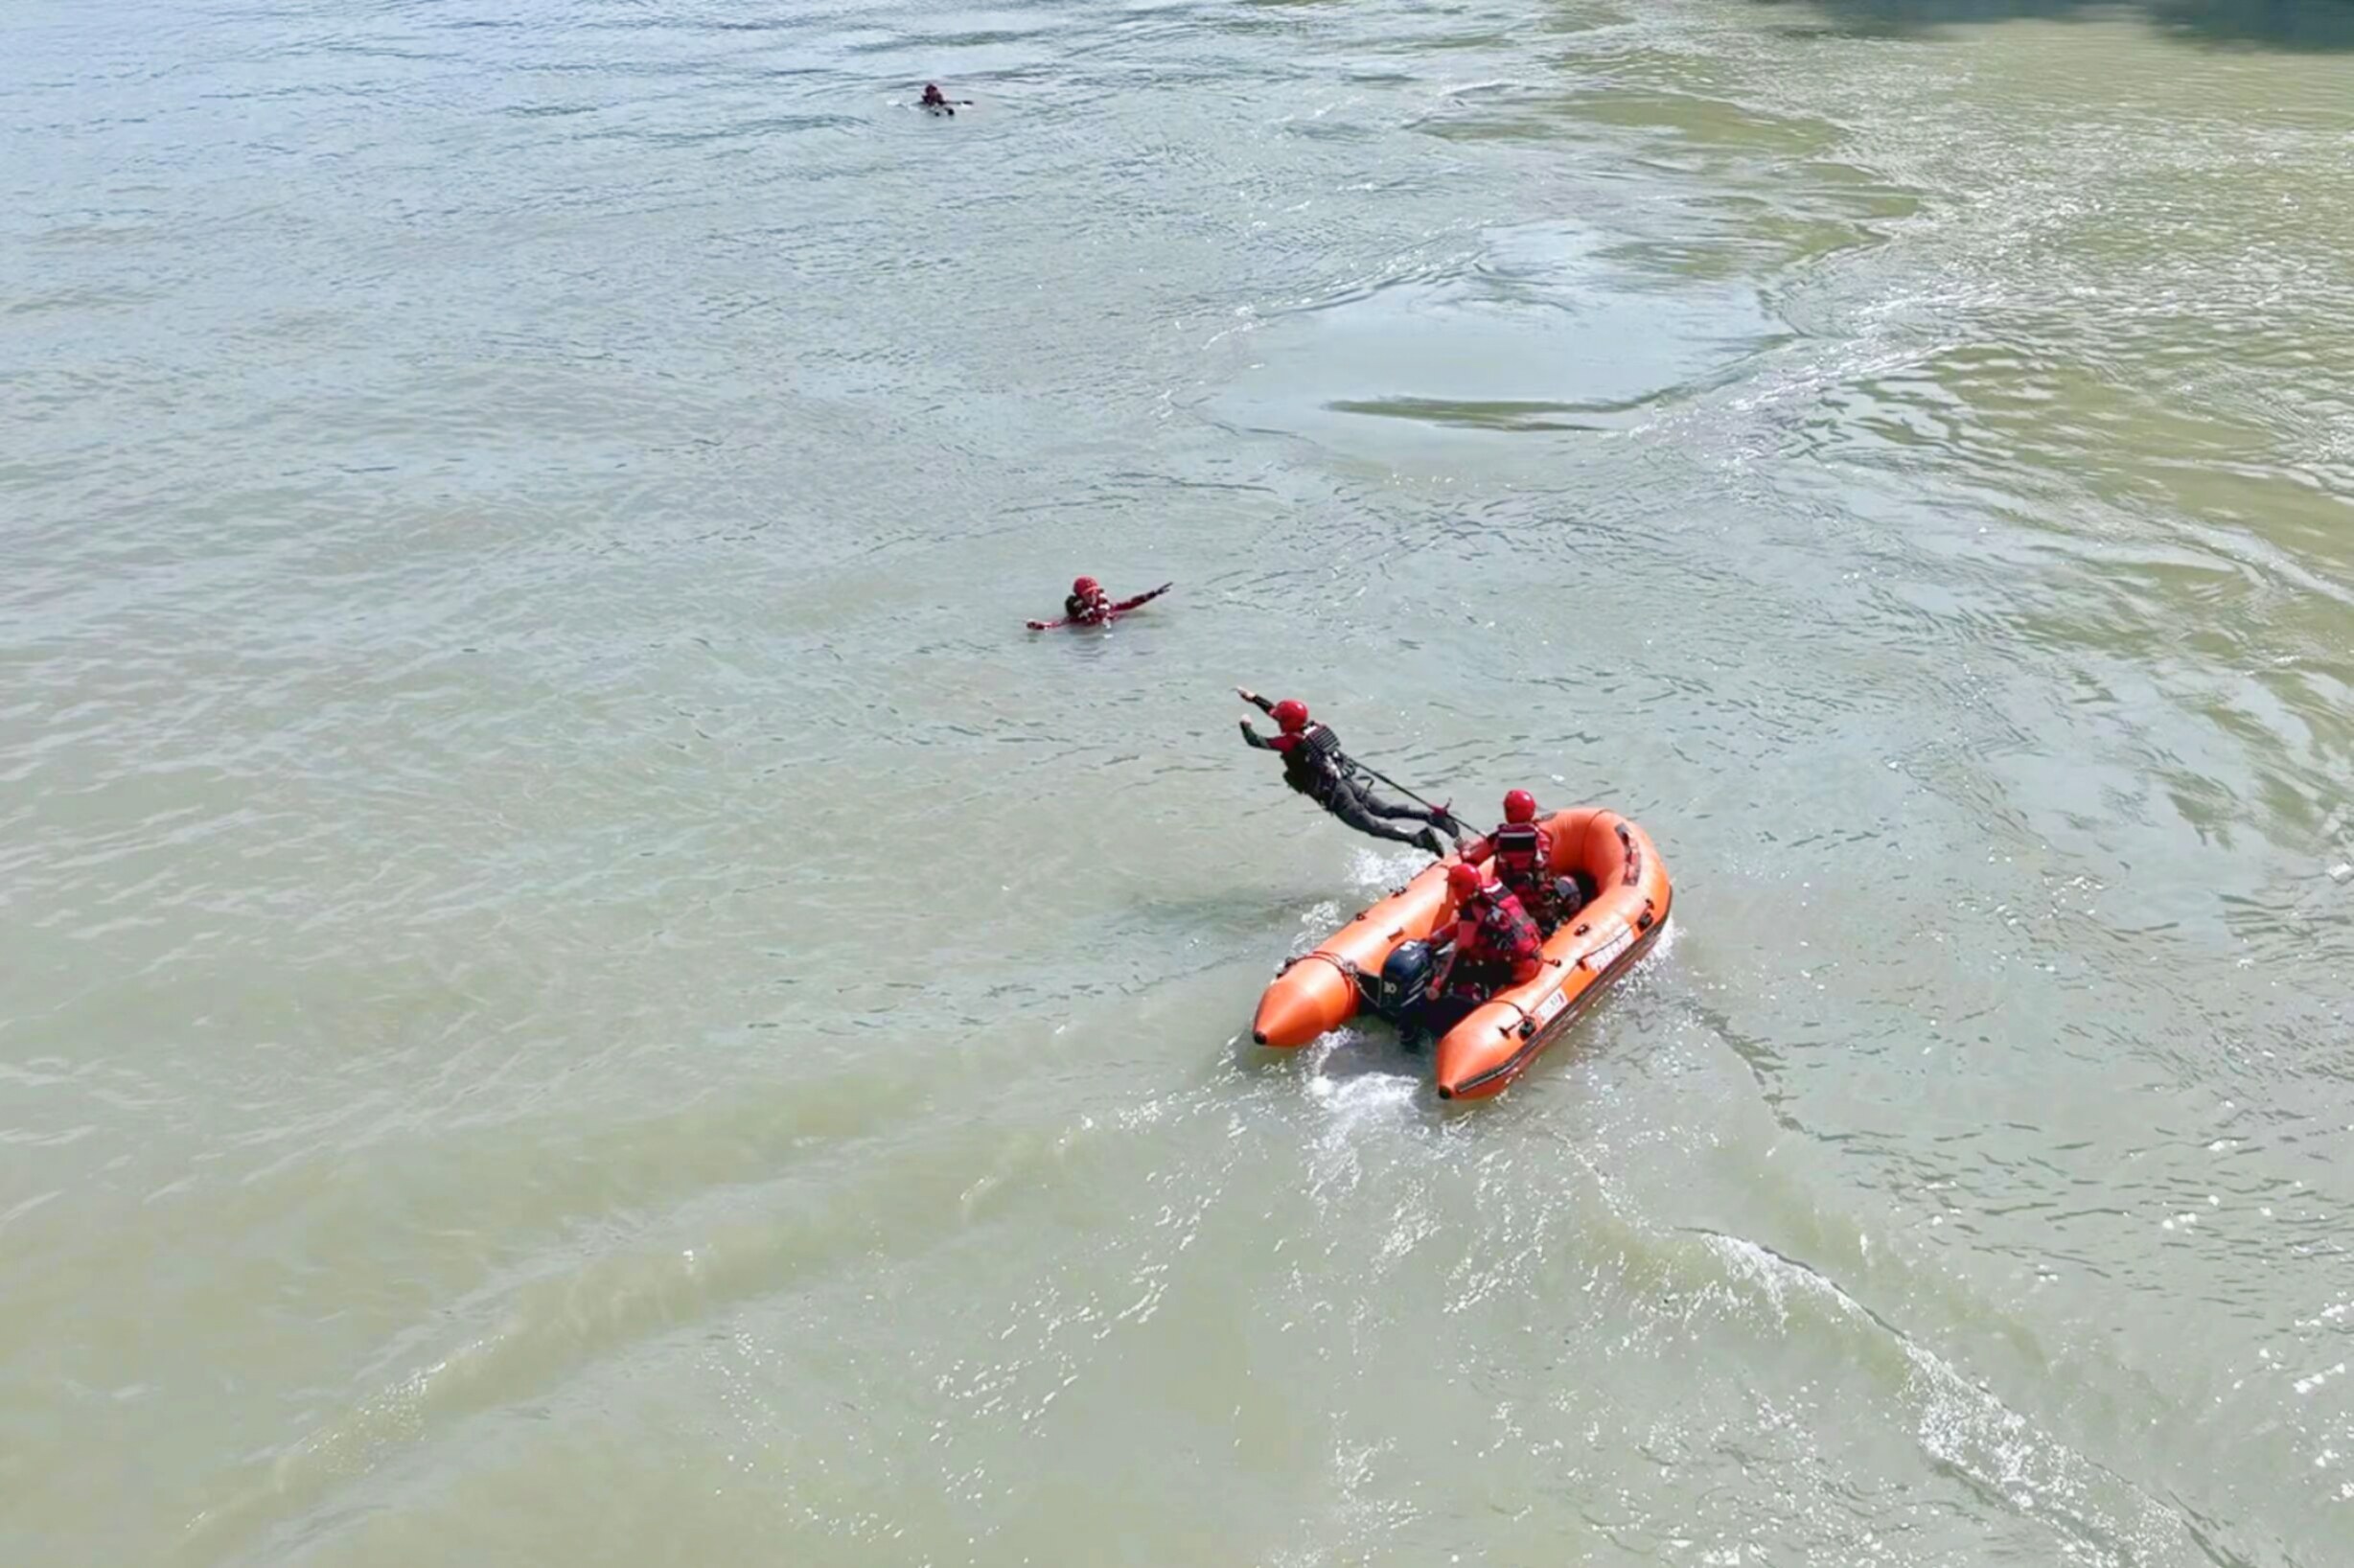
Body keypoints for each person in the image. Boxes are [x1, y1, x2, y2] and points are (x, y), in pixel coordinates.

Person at [1235, 689, 1459, 857]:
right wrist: (1254, 698)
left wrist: (1245, 724)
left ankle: (1418, 839)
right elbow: (1280, 714)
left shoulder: (1289, 742)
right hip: (1345, 780)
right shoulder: (1311, 727)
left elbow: (1255, 741)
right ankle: (1433, 817)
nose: (1277, 719)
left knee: (1372, 826)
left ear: (1286, 722)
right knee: (1385, 810)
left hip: (1335, 794)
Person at [1459, 789, 1584, 934]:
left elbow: (1472, 857)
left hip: (1514, 904)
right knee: (1571, 882)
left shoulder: (1496, 840)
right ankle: (1568, 920)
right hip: (1542, 901)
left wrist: (1465, 849)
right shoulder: (1541, 838)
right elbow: (1545, 862)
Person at [1428, 862, 1543, 1007]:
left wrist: (1438, 984)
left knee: (1461, 969)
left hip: (1518, 970)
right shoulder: (1493, 897)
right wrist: (1434, 939)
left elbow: (1459, 951)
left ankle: (1472, 1004)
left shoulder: (1471, 910)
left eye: (1451, 887)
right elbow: (1463, 926)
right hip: (1535, 957)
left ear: (1459, 887)